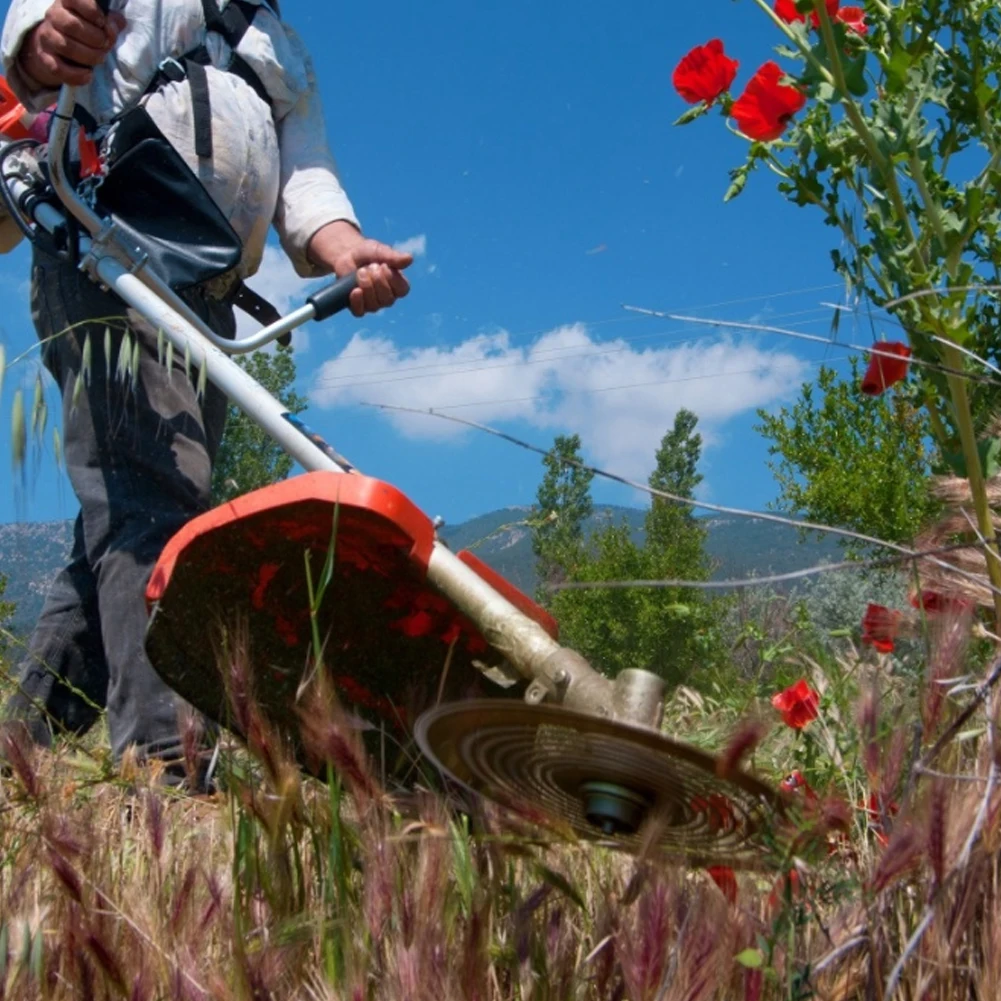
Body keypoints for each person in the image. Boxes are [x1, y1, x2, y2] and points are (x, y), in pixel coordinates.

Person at [0, 0, 411, 784]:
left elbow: (306, 172)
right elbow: (37, 38)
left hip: (207, 294)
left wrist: (345, 247)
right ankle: (166, 763)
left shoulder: (275, 39)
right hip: (102, 245)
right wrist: (40, 43)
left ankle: (21, 753)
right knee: (153, 494)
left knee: (140, 514)